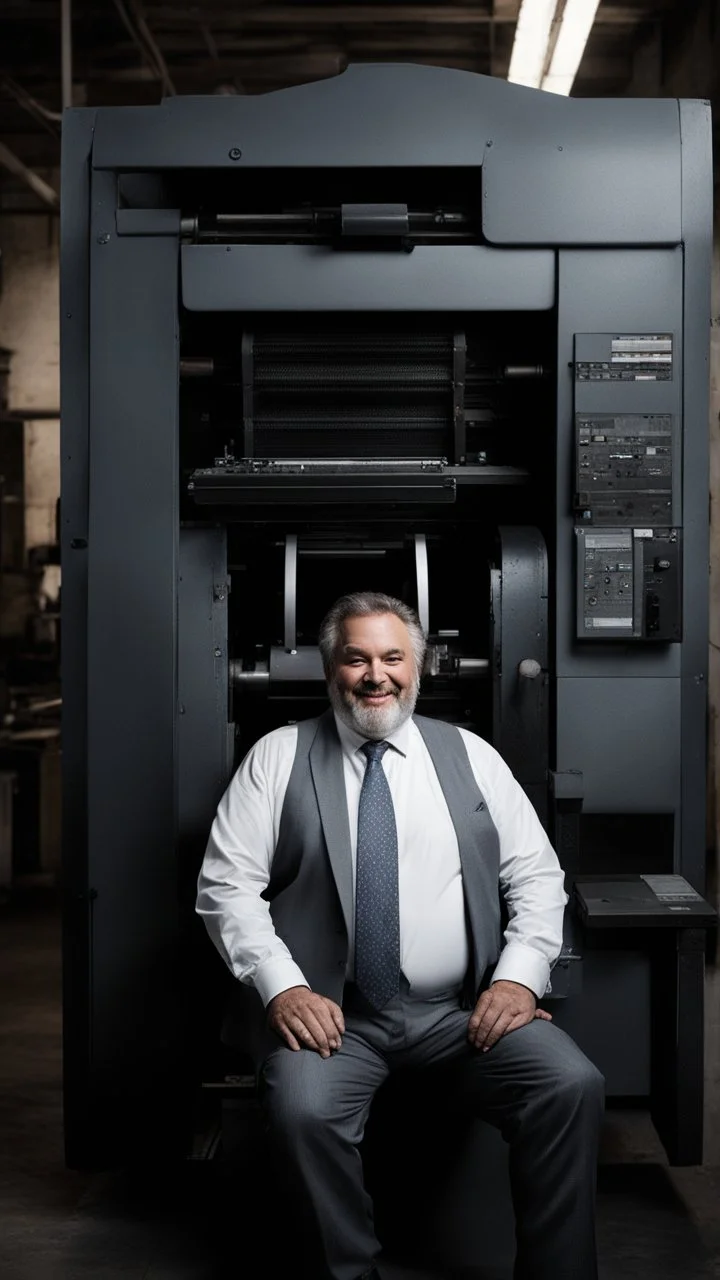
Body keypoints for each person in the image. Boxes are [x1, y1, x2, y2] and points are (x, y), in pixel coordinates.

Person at [196, 591, 604, 1280]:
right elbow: (226, 887)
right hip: (335, 1019)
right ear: (332, 670)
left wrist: (517, 976)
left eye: (393, 657)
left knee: (570, 1083)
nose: (376, 675)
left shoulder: (470, 755)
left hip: (460, 1014)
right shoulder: (278, 756)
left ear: (419, 668)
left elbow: (536, 876)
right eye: (356, 658)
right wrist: (284, 989)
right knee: (300, 1111)